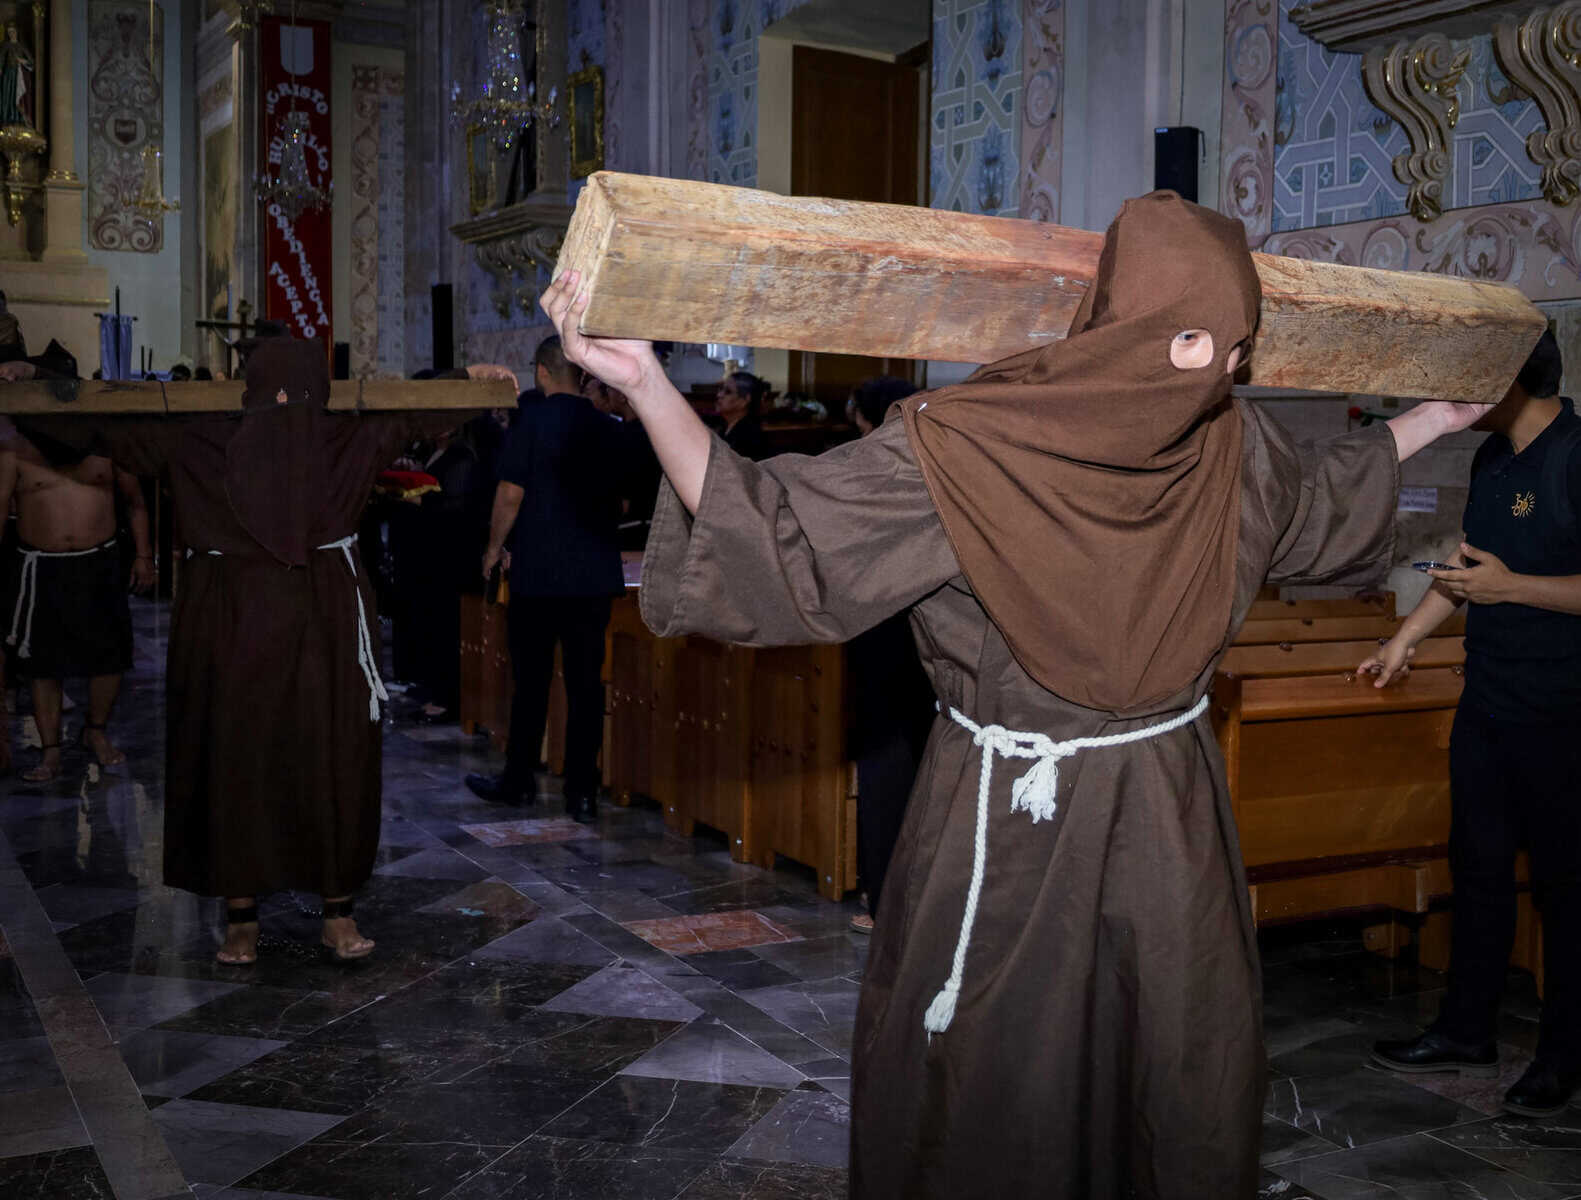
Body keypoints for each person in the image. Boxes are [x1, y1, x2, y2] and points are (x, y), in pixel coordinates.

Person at [538, 190, 1491, 1198]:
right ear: (1132, 327)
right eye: (1199, 340)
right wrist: (645, 384)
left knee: (1169, 1055)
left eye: (1236, 348)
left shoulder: (1231, 447)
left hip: (1158, 817)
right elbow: (778, 526)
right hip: (1027, 817)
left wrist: (1437, 416)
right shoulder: (970, 445)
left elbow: (1320, 491)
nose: (1218, 368)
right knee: (1002, 1074)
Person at [38, 338, 512, 965]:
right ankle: (291, 916)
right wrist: (467, 376)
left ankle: (297, 915)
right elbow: (418, 412)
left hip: (296, 623)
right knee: (266, 756)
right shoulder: (216, 439)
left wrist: (31, 384)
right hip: (261, 622)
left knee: (291, 757)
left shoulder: (317, 438)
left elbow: (90, 426)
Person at [1368, 328, 1581, 1116]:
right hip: (1487, 705)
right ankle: (1465, 1029)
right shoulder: (1492, 457)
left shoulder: (1574, 456)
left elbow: (1502, 582)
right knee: (1479, 872)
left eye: (1470, 380)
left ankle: (1562, 1056)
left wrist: (1513, 587)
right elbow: (1466, 571)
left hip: (1563, 714)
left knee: (1565, 890)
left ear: (1510, 380)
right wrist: (1403, 638)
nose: (1456, 397)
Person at [466, 336, 627, 822]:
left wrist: (493, 548)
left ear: (541, 371)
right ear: (582, 374)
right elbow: (623, 500)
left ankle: (519, 781)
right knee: (586, 685)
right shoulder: (609, 427)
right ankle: (582, 793)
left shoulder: (532, 421)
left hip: (539, 573)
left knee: (531, 683)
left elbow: (510, 494)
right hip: (593, 573)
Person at [0, 424, 154, 780]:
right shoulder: (15, 448)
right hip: (41, 566)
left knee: (109, 658)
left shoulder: (109, 443)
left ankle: (95, 731)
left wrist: (144, 556)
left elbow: (136, 502)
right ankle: (51, 750)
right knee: (43, 664)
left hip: (100, 562)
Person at [844, 376, 934, 936]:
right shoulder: (937, 458)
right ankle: (922, 896)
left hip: (880, 626)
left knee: (884, 766)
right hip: (934, 630)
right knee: (929, 763)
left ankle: (882, 899)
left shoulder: (864, 465)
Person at [715, 369, 770, 460]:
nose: (719, 395)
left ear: (744, 401)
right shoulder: (723, 427)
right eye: (720, 389)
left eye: (728, 392)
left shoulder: (750, 436)